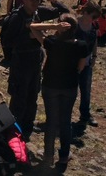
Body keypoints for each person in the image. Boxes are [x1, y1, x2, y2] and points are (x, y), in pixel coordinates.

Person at [0, 0, 68, 141]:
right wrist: (27, 36)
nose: (37, 2)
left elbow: (64, 12)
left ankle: (26, 129)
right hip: (20, 63)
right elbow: (7, 42)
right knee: (18, 99)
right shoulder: (17, 17)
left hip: (36, 62)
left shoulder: (39, 12)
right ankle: (13, 133)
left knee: (32, 98)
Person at [37, 15, 88, 170]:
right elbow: (81, 67)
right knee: (65, 121)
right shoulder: (81, 45)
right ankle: (64, 157)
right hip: (69, 86)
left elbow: (32, 27)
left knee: (51, 121)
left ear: (61, 28)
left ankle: (48, 156)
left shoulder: (51, 43)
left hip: (50, 85)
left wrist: (54, 26)